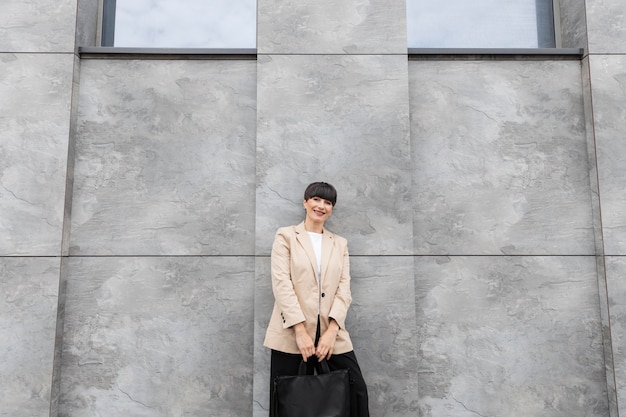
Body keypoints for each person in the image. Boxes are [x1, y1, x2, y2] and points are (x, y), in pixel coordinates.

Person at [264, 181, 370, 417]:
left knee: (357, 392)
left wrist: (332, 331)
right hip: (292, 332)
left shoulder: (339, 243)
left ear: (332, 208)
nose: (321, 206)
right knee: (288, 401)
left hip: (331, 333)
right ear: (305, 202)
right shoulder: (286, 236)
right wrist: (300, 331)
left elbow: (344, 287)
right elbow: (282, 284)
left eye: (328, 202)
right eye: (316, 199)